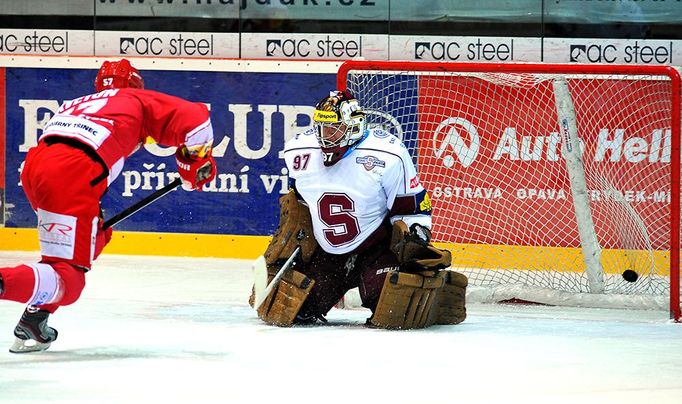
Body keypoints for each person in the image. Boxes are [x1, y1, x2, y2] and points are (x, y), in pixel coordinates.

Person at [0, 59, 217, 353]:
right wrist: (194, 165)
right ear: (136, 85)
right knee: (68, 280)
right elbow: (197, 118)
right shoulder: (134, 97)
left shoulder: (77, 103)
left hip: (37, 169)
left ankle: (36, 317)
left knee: (95, 236)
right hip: (71, 173)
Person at [252, 90, 467, 329]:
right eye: (322, 128)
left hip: (376, 248)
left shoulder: (388, 153)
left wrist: (417, 235)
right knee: (295, 310)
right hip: (328, 252)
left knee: (395, 311)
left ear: (353, 127)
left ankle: (437, 288)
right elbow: (299, 204)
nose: (325, 136)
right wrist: (294, 242)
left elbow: (411, 206)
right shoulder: (298, 151)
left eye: (333, 129)